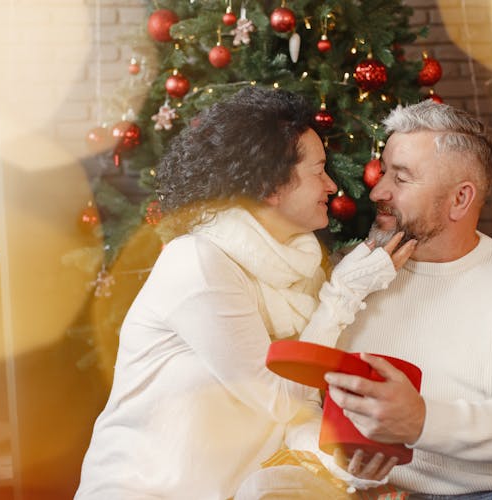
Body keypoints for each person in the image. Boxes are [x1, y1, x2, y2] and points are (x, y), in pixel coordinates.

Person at [74, 87, 416, 499]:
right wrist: (344, 292)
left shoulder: (298, 268)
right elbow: (277, 398)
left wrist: (346, 468)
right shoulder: (199, 262)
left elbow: (296, 414)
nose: (331, 185)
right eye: (318, 170)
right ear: (269, 186)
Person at [236, 100, 492, 499]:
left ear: (460, 199)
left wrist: (422, 420)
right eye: (383, 171)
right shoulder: (356, 276)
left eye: (401, 179)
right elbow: (303, 400)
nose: (377, 189)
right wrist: (345, 466)